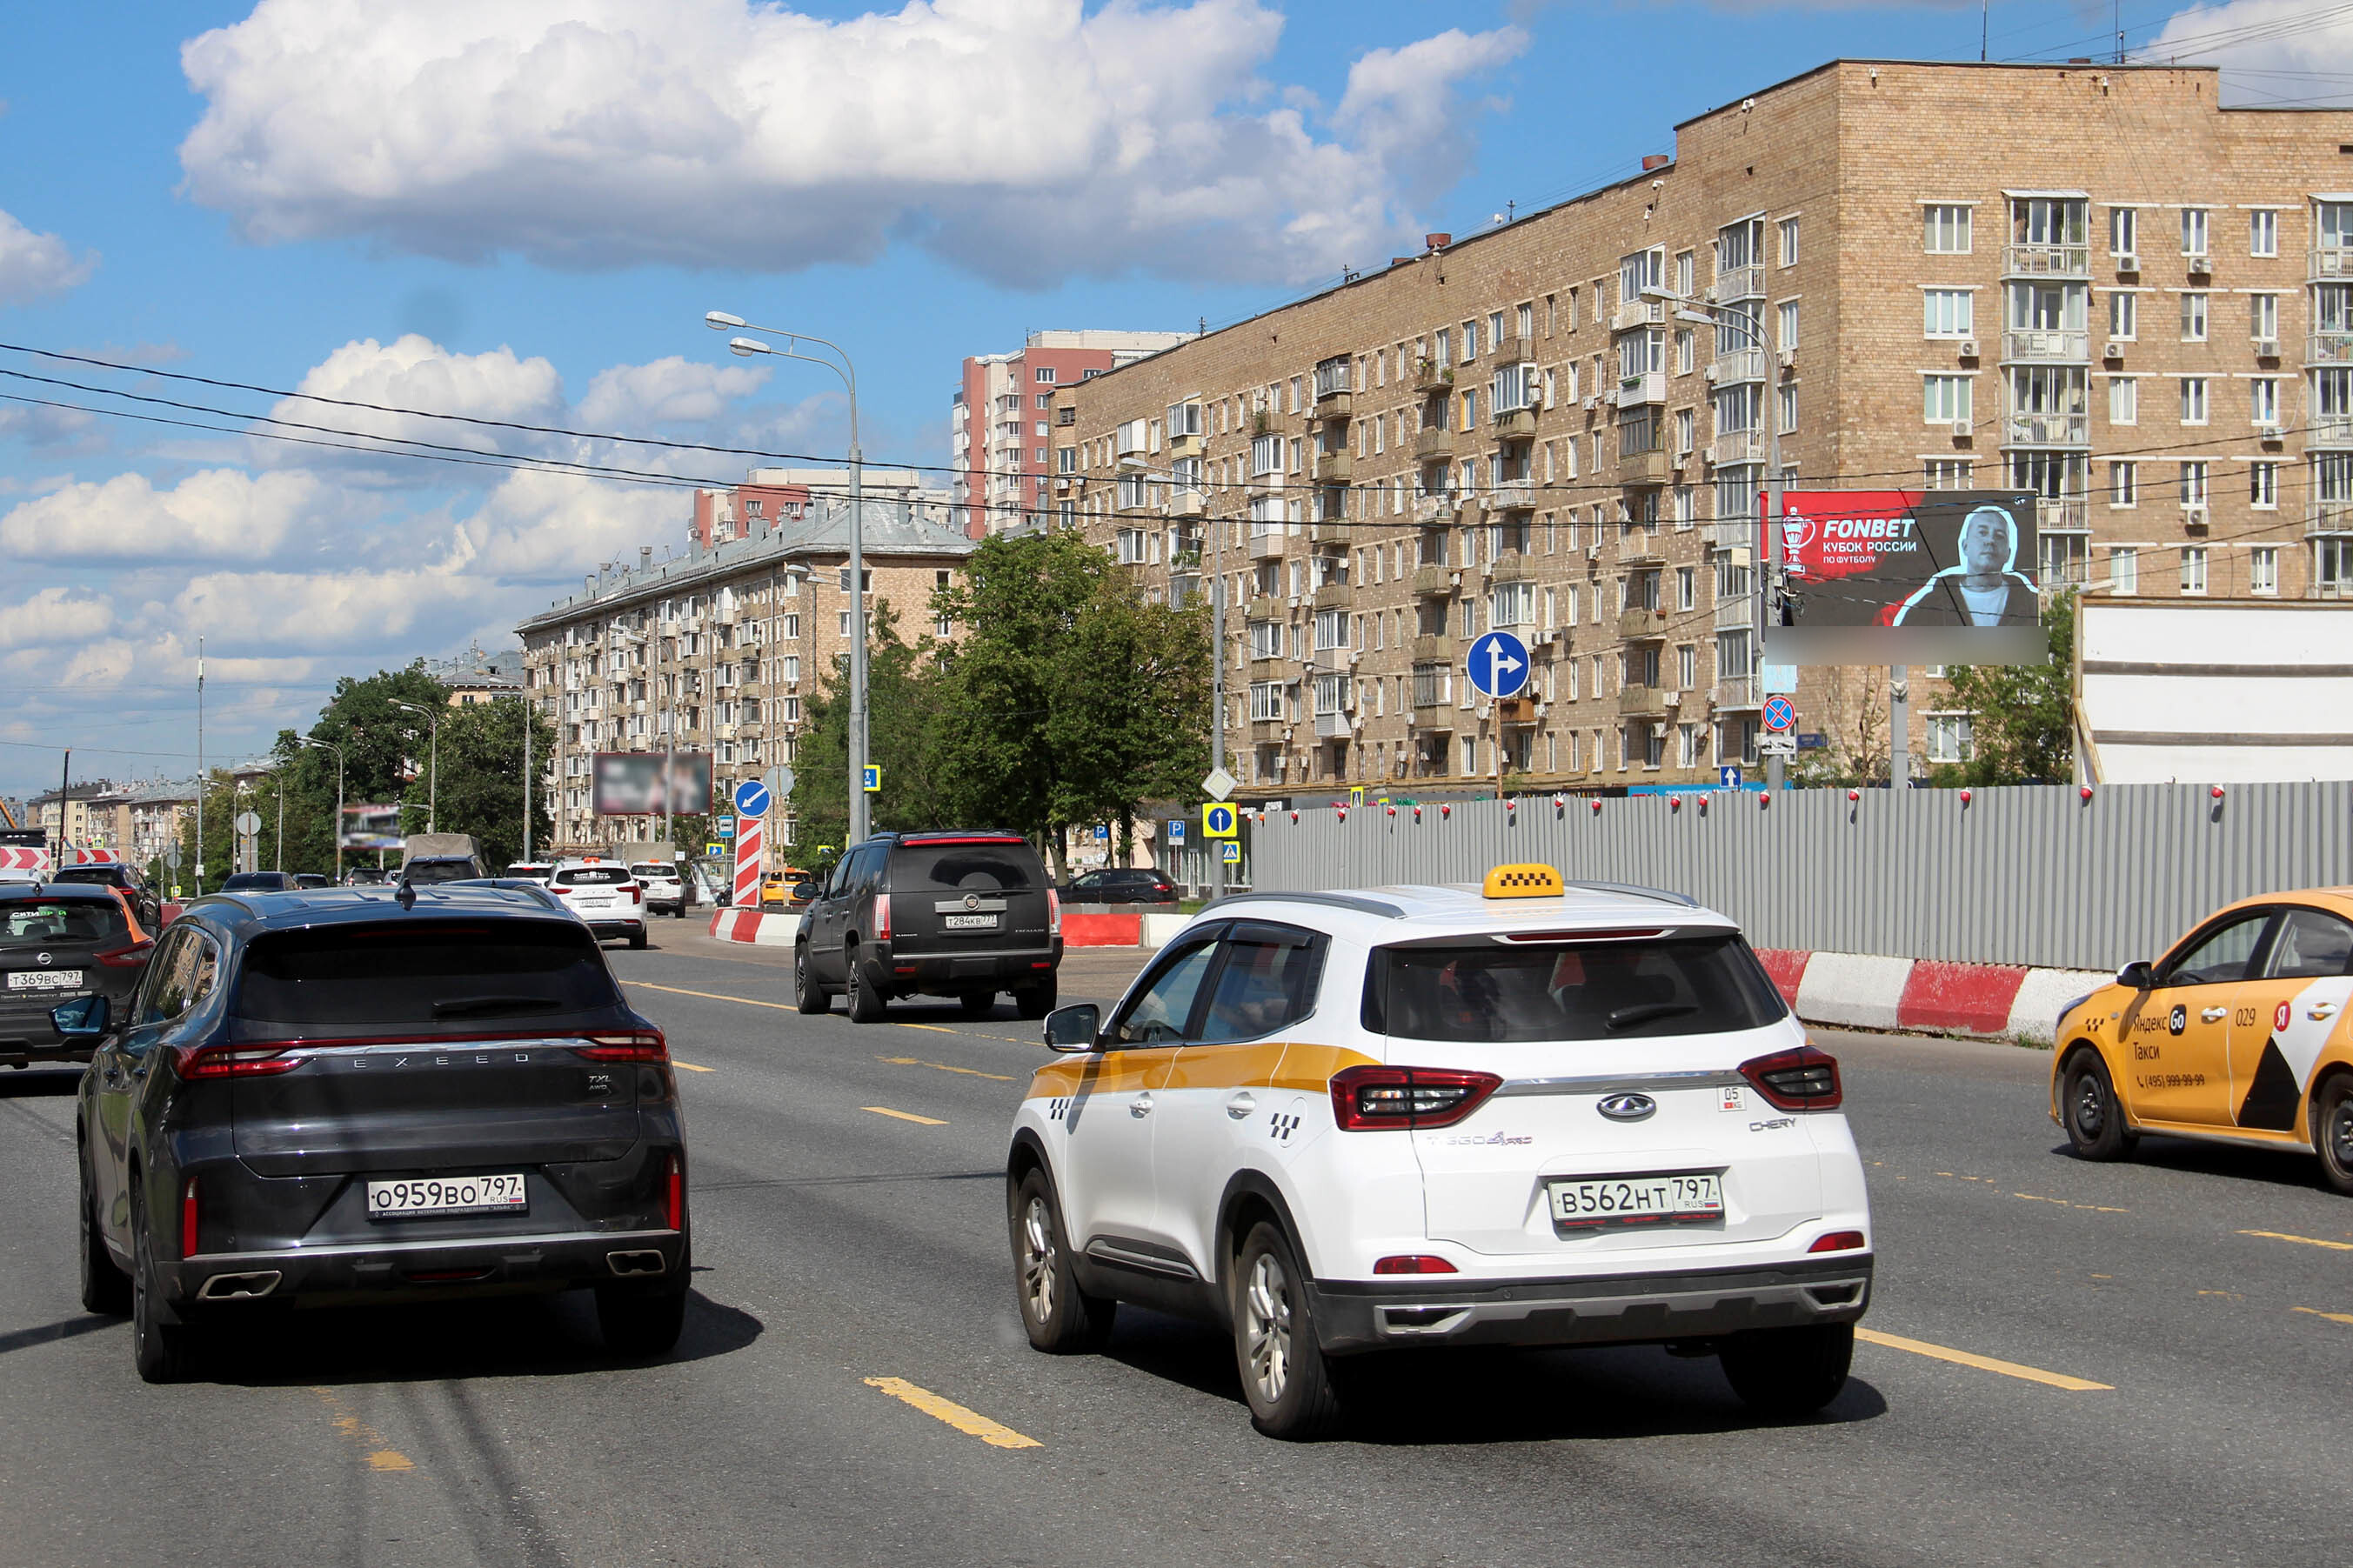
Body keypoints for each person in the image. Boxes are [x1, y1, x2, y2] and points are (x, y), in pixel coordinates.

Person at [1889, 504, 2039, 626]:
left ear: (2008, 553)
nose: (1990, 541)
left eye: (1999, 536)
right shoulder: (1931, 607)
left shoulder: (2030, 606)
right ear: (1965, 546)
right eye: (1982, 533)